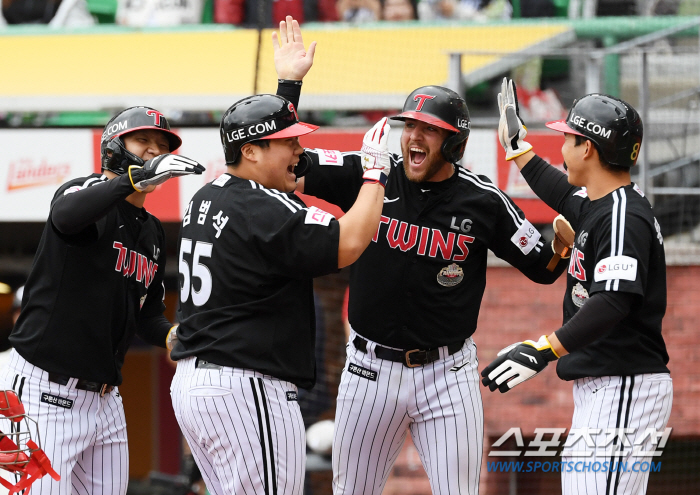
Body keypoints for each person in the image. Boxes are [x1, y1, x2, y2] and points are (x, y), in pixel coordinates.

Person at [296, 84, 570, 494]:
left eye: (429, 129)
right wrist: (290, 86)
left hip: (448, 373)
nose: (413, 137)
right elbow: (292, 164)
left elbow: (545, 269)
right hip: (368, 368)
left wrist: (564, 244)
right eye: (409, 126)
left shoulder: (484, 201)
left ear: (455, 141)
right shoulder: (371, 173)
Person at [168, 18, 390, 495]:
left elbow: (270, 156)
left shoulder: (209, 194)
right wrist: (375, 174)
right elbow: (349, 241)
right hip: (244, 387)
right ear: (249, 151)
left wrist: (289, 86)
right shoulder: (260, 205)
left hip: (198, 384)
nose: (299, 149)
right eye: (289, 141)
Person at [0, 106, 204, 494]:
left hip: (106, 401)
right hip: (44, 391)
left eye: (161, 146)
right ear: (114, 146)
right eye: (143, 141)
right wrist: (133, 180)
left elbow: (148, 316)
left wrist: (175, 336)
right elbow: (65, 216)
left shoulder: (154, 234)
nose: (154, 151)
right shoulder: (84, 192)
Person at [482, 78, 672, 494]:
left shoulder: (623, 215)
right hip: (606, 386)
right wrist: (518, 149)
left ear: (588, 147)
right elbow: (563, 197)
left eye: (567, 137)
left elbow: (613, 303)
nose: (562, 147)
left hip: (624, 383)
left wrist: (542, 349)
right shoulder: (604, 204)